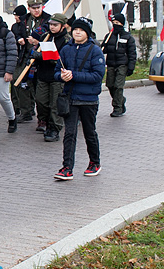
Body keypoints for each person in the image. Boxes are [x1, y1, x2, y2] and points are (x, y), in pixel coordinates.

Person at [53, 17, 105, 180]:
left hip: (89, 99)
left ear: (87, 33)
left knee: (89, 132)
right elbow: (56, 72)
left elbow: (98, 75)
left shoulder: (95, 50)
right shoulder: (66, 49)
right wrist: (62, 76)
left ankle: (94, 162)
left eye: (81, 30)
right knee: (70, 133)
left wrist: (74, 75)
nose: (77, 32)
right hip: (71, 98)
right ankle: (67, 168)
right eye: (75, 29)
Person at [33, 12, 70, 142]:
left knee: (55, 103)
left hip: (57, 77)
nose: (52, 27)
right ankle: (45, 120)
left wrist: (43, 57)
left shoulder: (66, 40)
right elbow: (38, 51)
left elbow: (61, 59)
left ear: (62, 26)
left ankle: (54, 128)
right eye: (50, 24)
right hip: (43, 75)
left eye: (55, 25)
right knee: (41, 100)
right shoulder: (45, 37)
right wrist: (32, 59)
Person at [102, 10, 136, 117]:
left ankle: (117, 108)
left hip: (122, 65)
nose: (115, 25)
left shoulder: (127, 37)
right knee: (110, 85)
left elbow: (132, 54)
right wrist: (104, 45)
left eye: (118, 23)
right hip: (111, 64)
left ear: (122, 24)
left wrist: (131, 67)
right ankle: (121, 100)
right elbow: (103, 50)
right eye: (114, 23)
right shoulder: (109, 36)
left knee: (118, 86)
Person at [9, 4, 32, 123]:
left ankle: (26, 110)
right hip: (18, 58)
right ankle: (17, 108)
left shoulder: (26, 26)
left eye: (17, 15)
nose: (15, 18)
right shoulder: (15, 27)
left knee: (22, 84)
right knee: (14, 83)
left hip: (26, 58)